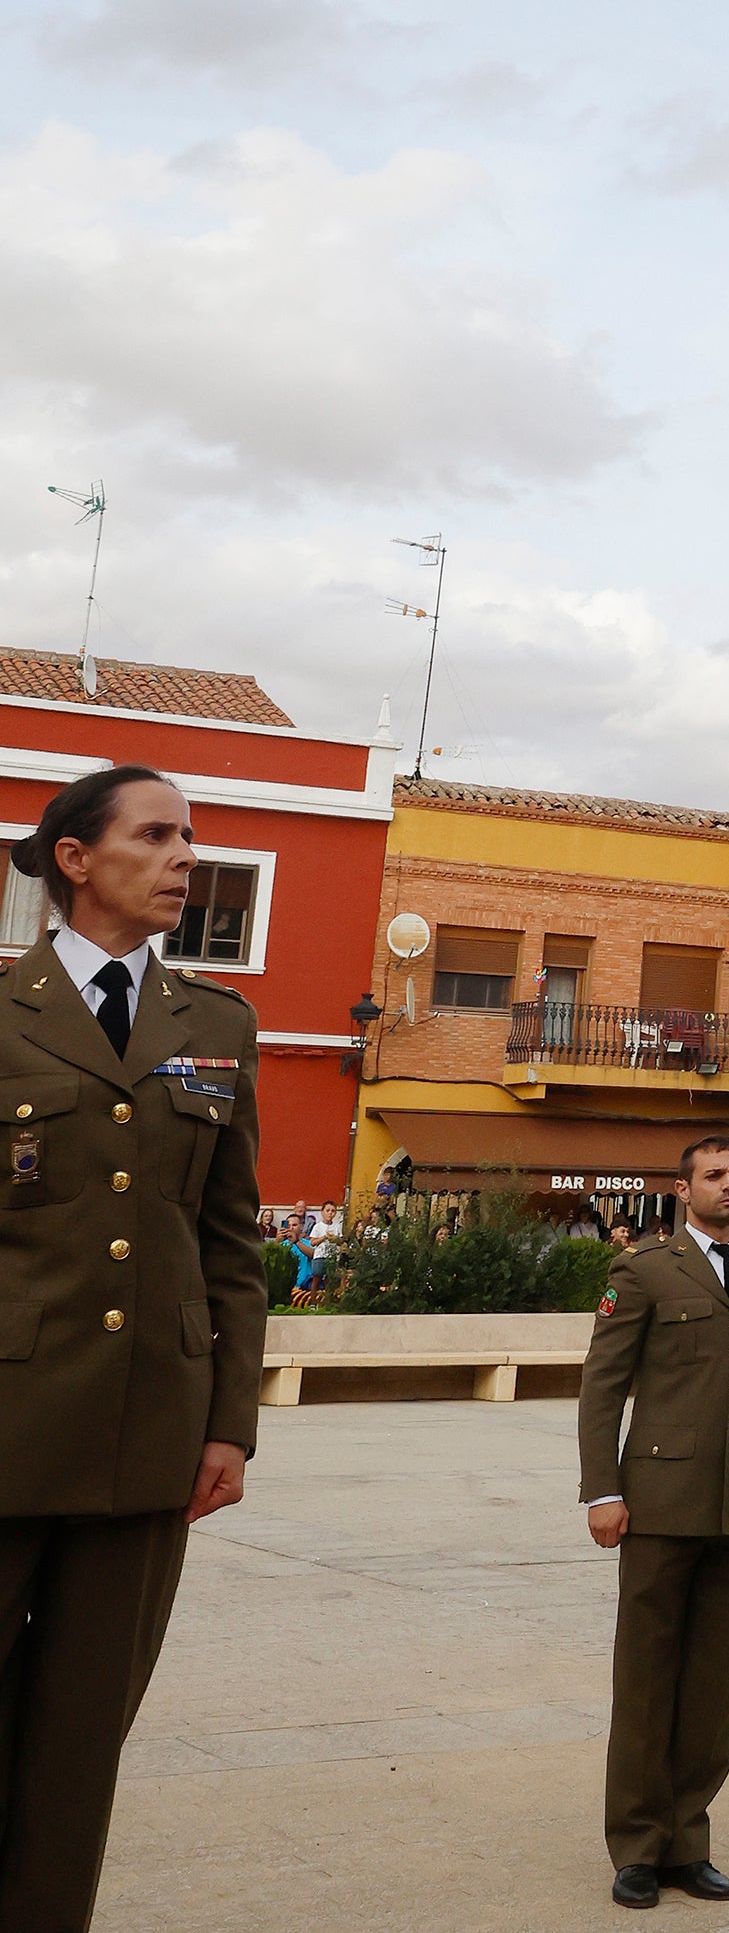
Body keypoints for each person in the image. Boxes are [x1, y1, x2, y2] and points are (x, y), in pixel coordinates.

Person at [0, 764, 264, 1933]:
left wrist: (228, 1425)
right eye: (155, 836)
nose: (183, 858)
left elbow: (231, 1242)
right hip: (9, 1424)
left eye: (188, 838)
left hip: (149, 1436)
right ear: (75, 858)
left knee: (80, 1743)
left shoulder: (216, 1026)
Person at [580, 1132, 729, 1908]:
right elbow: (603, 1385)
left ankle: (688, 1840)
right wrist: (601, 1490)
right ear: (683, 1190)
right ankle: (637, 1846)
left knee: (714, 1687)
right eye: (713, 1175)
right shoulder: (646, 1270)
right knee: (647, 1683)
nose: (728, 1185)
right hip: (659, 1504)